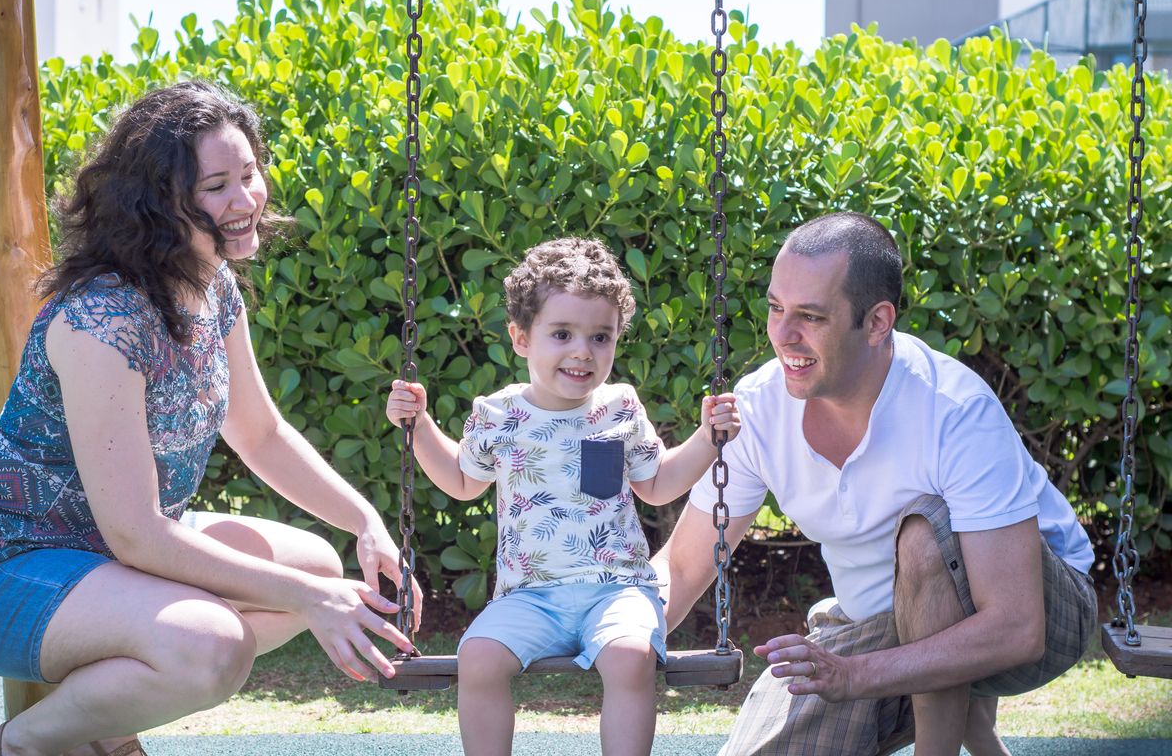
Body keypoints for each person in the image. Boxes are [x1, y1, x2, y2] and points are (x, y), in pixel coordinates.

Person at [0, 81, 419, 756]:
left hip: (115, 559)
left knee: (322, 566)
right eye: (216, 186)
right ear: (157, 200)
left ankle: (103, 730)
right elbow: (138, 534)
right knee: (211, 646)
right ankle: (28, 743)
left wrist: (365, 522)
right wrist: (306, 600)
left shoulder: (213, 286)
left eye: (249, 175)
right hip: (9, 565)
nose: (245, 201)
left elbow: (260, 433)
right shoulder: (103, 320)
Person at [651, 211, 1097, 756]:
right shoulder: (758, 410)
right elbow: (681, 565)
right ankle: (969, 722)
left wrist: (855, 676)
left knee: (924, 535)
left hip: (1041, 613)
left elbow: (1016, 625)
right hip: (874, 624)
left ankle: (948, 732)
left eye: (811, 316)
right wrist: (618, 627)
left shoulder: (955, 410)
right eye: (774, 307)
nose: (782, 334)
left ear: (877, 322)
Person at [386, 236, 742, 756]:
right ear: (521, 338)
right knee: (478, 659)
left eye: (601, 337)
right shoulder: (498, 415)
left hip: (616, 589)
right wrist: (418, 427)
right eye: (562, 334)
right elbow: (461, 481)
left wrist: (707, 439)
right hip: (529, 595)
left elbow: (658, 482)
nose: (583, 351)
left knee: (630, 656)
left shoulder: (620, 406)